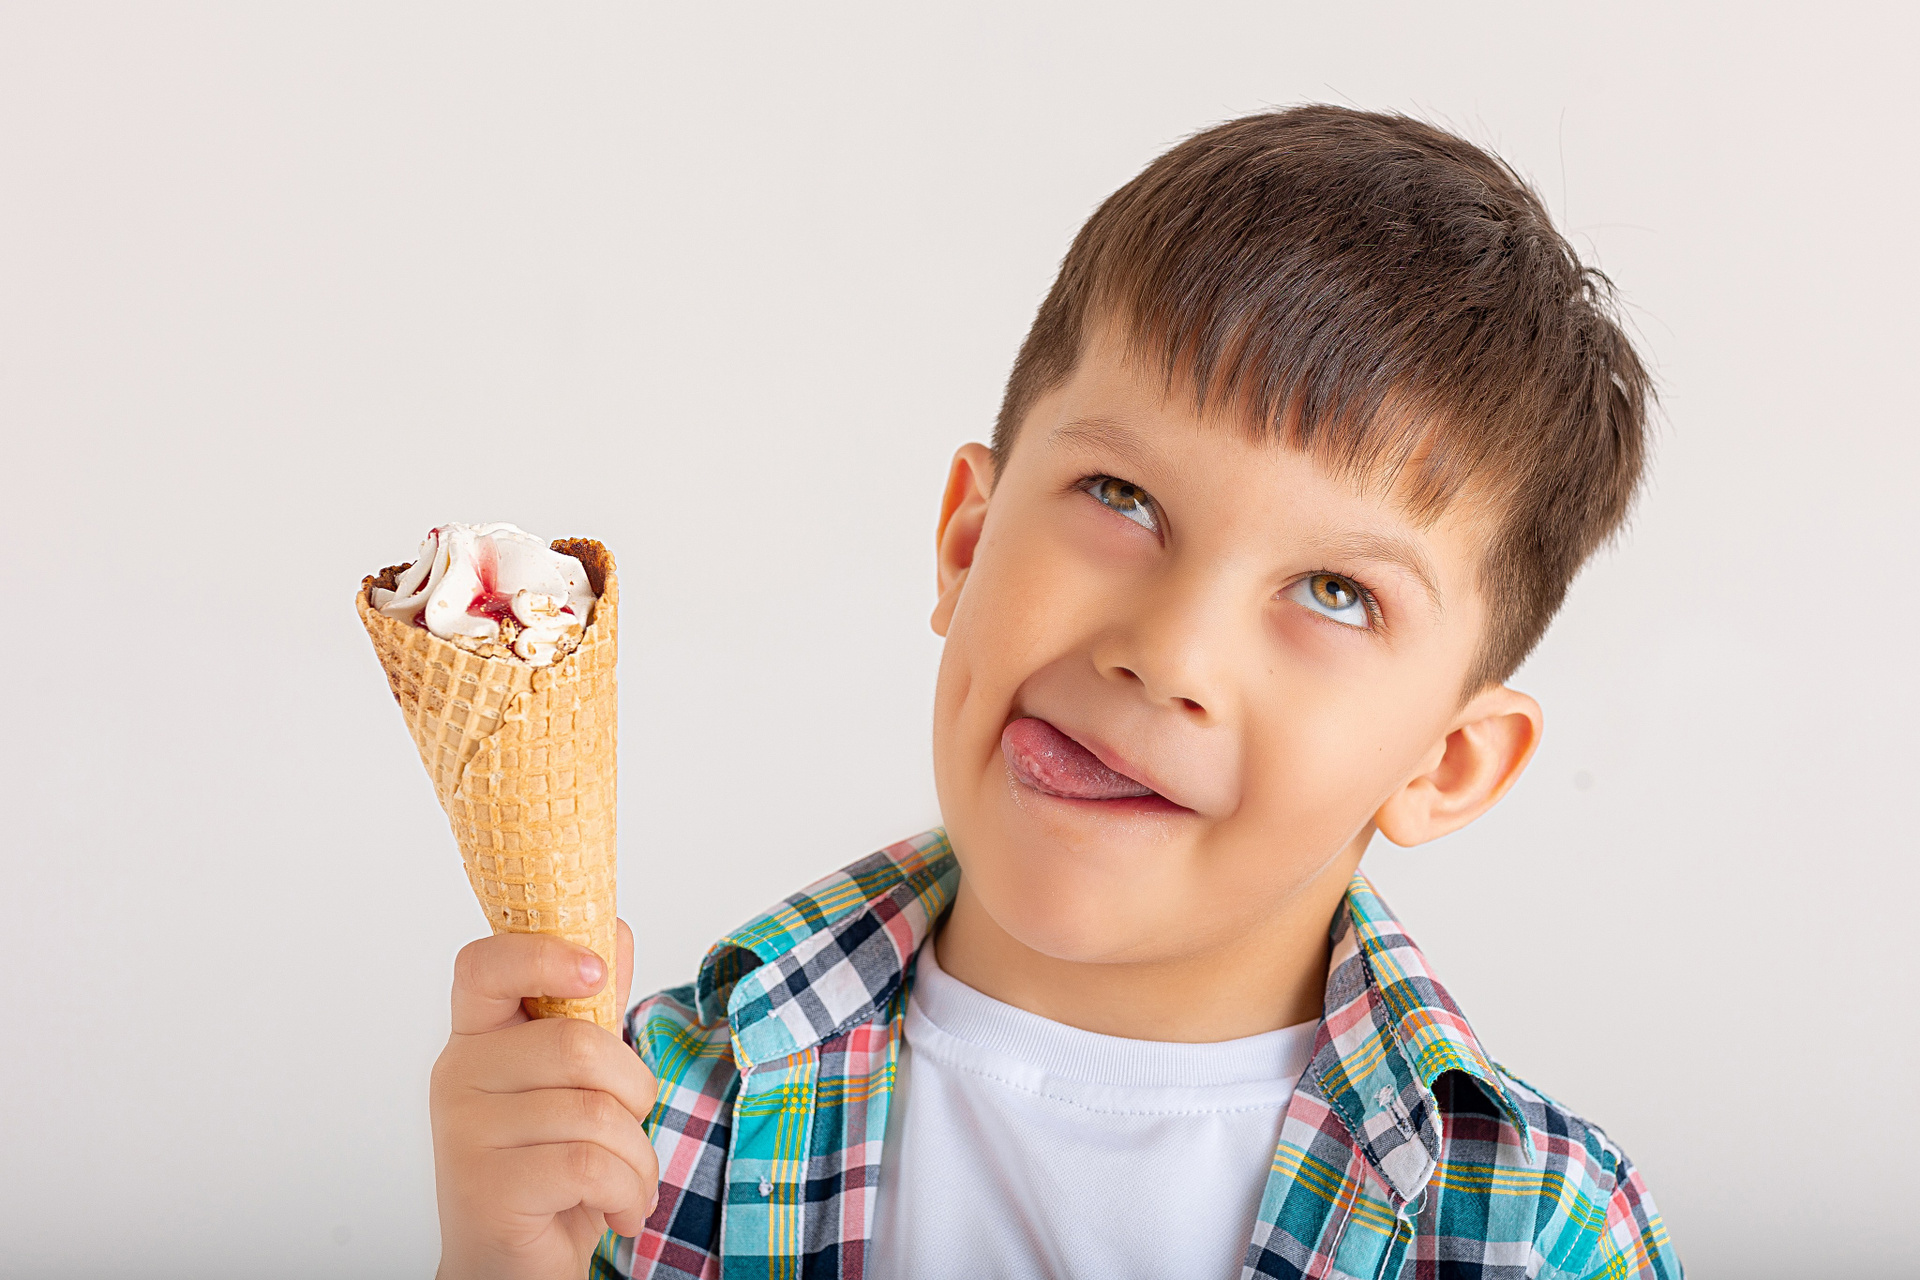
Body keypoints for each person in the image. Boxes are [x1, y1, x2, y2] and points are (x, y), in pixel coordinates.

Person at [427, 105, 1683, 1280]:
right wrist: (504, 1258)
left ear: (1446, 763)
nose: (1170, 653)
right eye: (1122, 498)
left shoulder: (1536, 1230)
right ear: (968, 542)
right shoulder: (654, 1116)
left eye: (1335, 592)